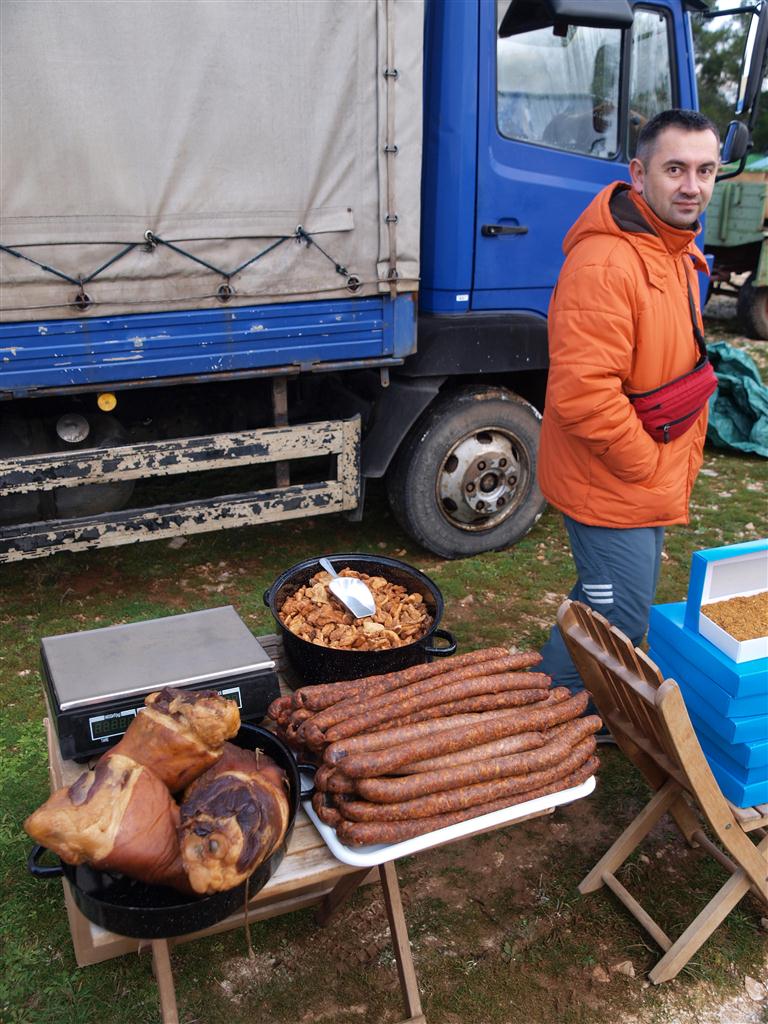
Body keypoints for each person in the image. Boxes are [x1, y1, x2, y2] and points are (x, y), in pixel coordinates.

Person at [536, 109, 721, 721]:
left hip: (641, 479)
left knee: (604, 600)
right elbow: (585, 394)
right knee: (617, 615)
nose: (691, 185)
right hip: (615, 481)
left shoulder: (672, 249)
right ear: (639, 175)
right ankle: (548, 722)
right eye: (675, 169)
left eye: (705, 170)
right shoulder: (608, 263)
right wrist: (647, 465)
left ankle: (561, 706)